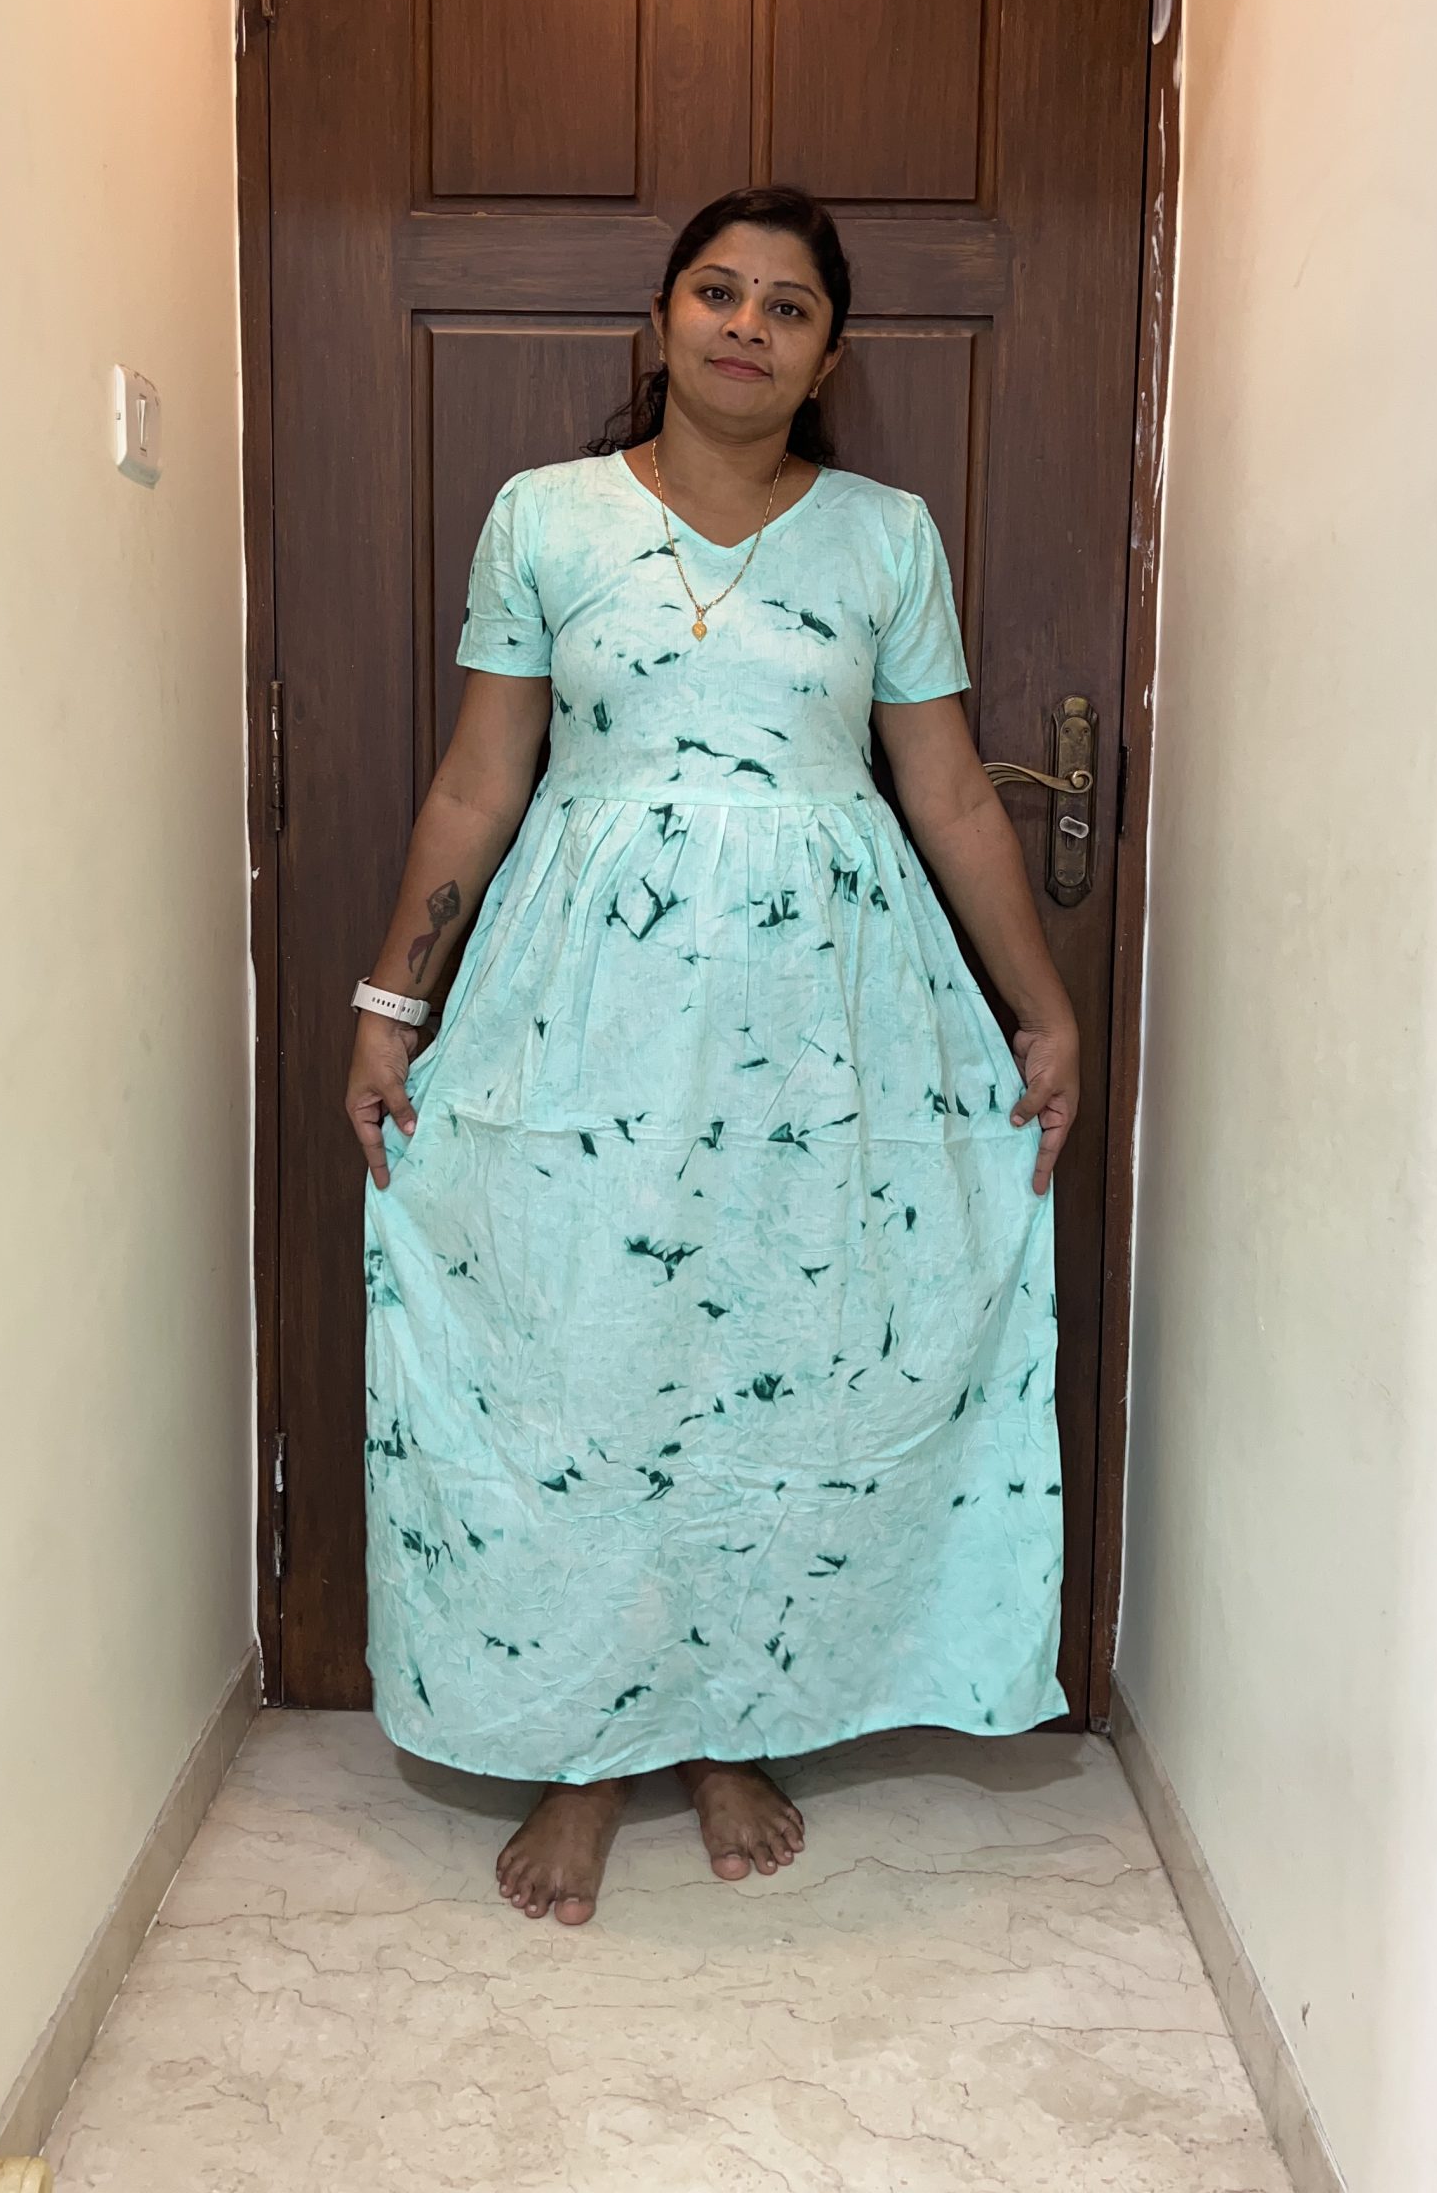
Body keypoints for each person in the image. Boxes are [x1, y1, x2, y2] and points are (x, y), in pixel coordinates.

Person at [344, 184, 1079, 1927]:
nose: (748, 324)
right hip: (584, 1011)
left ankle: (734, 1731)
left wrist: (1042, 1008)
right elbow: (481, 780)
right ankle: (589, 1749)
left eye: (789, 306)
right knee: (591, 1357)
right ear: (661, 319)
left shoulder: (887, 537)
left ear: (828, 357)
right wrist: (390, 1003)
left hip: (826, 1022)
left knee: (787, 1352)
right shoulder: (545, 518)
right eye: (719, 292)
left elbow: (950, 792)